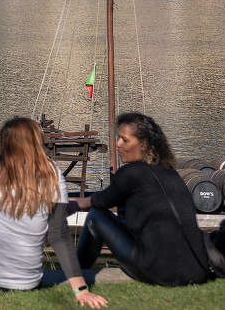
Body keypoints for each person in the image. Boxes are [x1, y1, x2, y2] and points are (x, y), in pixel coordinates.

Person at [0, 117, 107, 307]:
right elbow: (59, 236)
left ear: (5, 143)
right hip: (27, 283)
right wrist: (81, 289)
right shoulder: (52, 173)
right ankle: (75, 204)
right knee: (50, 210)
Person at [75, 112, 214, 286]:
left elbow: (99, 202)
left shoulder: (130, 173)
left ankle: (75, 275)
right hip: (196, 271)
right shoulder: (170, 173)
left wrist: (74, 203)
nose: (117, 144)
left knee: (96, 216)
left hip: (159, 272)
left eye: (124, 140)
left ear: (143, 144)